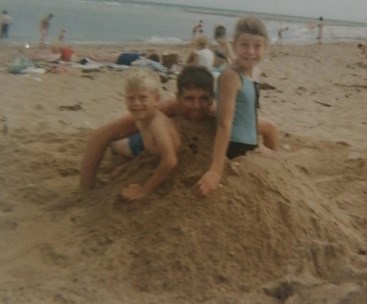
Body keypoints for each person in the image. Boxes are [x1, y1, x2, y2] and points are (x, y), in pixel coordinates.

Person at [80, 65, 214, 190]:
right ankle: (118, 148)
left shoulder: (215, 115)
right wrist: (86, 189)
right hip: (149, 139)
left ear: (211, 99)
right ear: (178, 98)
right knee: (119, 145)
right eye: (189, 99)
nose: (196, 106)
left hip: (162, 145)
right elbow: (100, 136)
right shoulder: (164, 109)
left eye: (203, 99)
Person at [197, 16, 274, 196]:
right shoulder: (231, 76)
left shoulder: (253, 72)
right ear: (235, 45)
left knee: (276, 144)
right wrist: (216, 170)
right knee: (282, 158)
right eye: (244, 45)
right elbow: (225, 123)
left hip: (250, 141)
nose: (250, 52)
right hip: (237, 147)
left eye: (257, 46)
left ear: (265, 48)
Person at [119, 69, 181, 201]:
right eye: (131, 98)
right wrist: (128, 167)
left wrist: (144, 190)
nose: (136, 103)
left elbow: (170, 160)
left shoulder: (156, 125)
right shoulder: (140, 120)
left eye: (143, 97)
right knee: (115, 145)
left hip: (172, 163)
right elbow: (150, 150)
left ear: (156, 99)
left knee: (117, 146)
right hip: (152, 153)